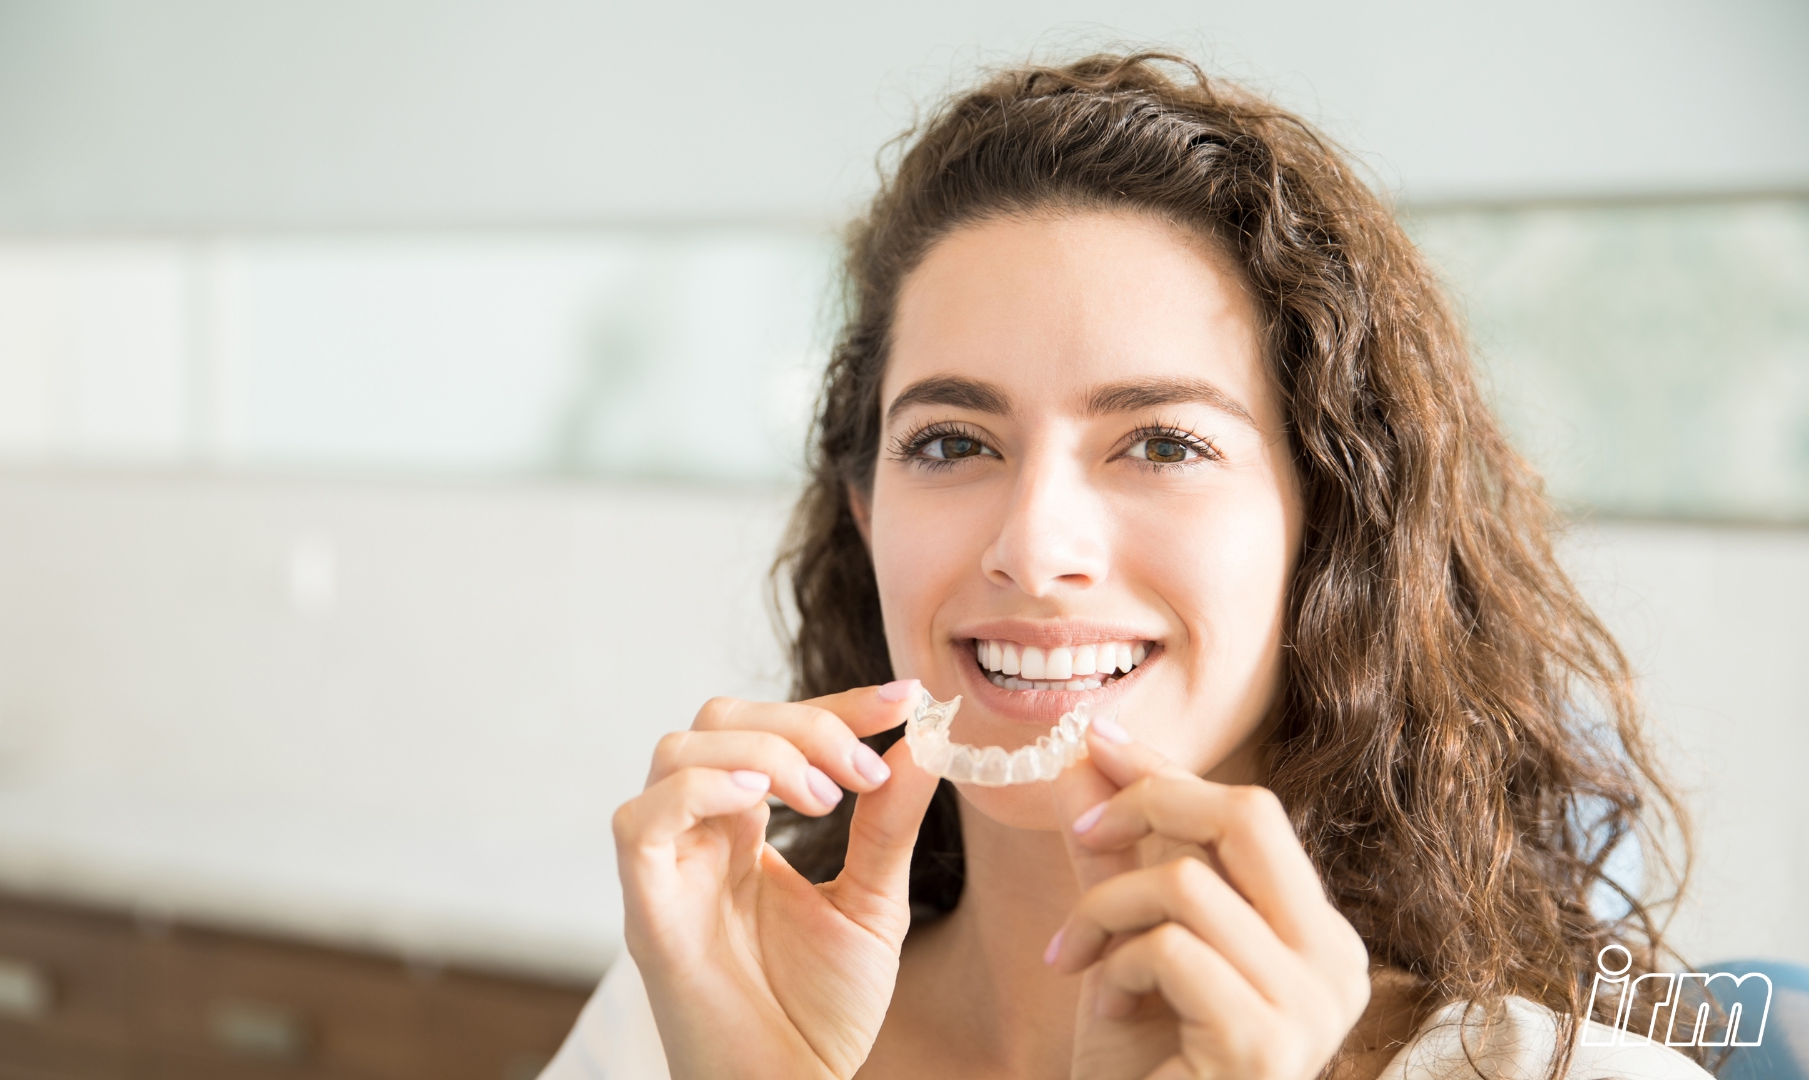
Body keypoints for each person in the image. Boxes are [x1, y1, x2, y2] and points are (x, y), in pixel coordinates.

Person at [543, 53, 1708, 1080]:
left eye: (1163, 443)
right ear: (864, 513)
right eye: (952, 443)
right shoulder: (689, 1013)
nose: (1034, 551)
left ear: (1333, 529)